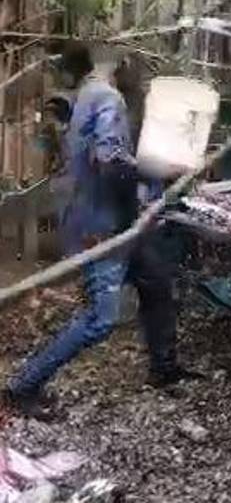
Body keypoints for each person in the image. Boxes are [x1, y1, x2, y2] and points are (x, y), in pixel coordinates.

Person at [1, 42, 201, 421]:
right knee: (100, 318)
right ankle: (22, 387)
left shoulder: (91, 96)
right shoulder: (106, 97)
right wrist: (163, 171)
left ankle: (164, 366)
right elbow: (109, 158)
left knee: (156, 283)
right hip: (102, 224)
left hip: (117, 218)